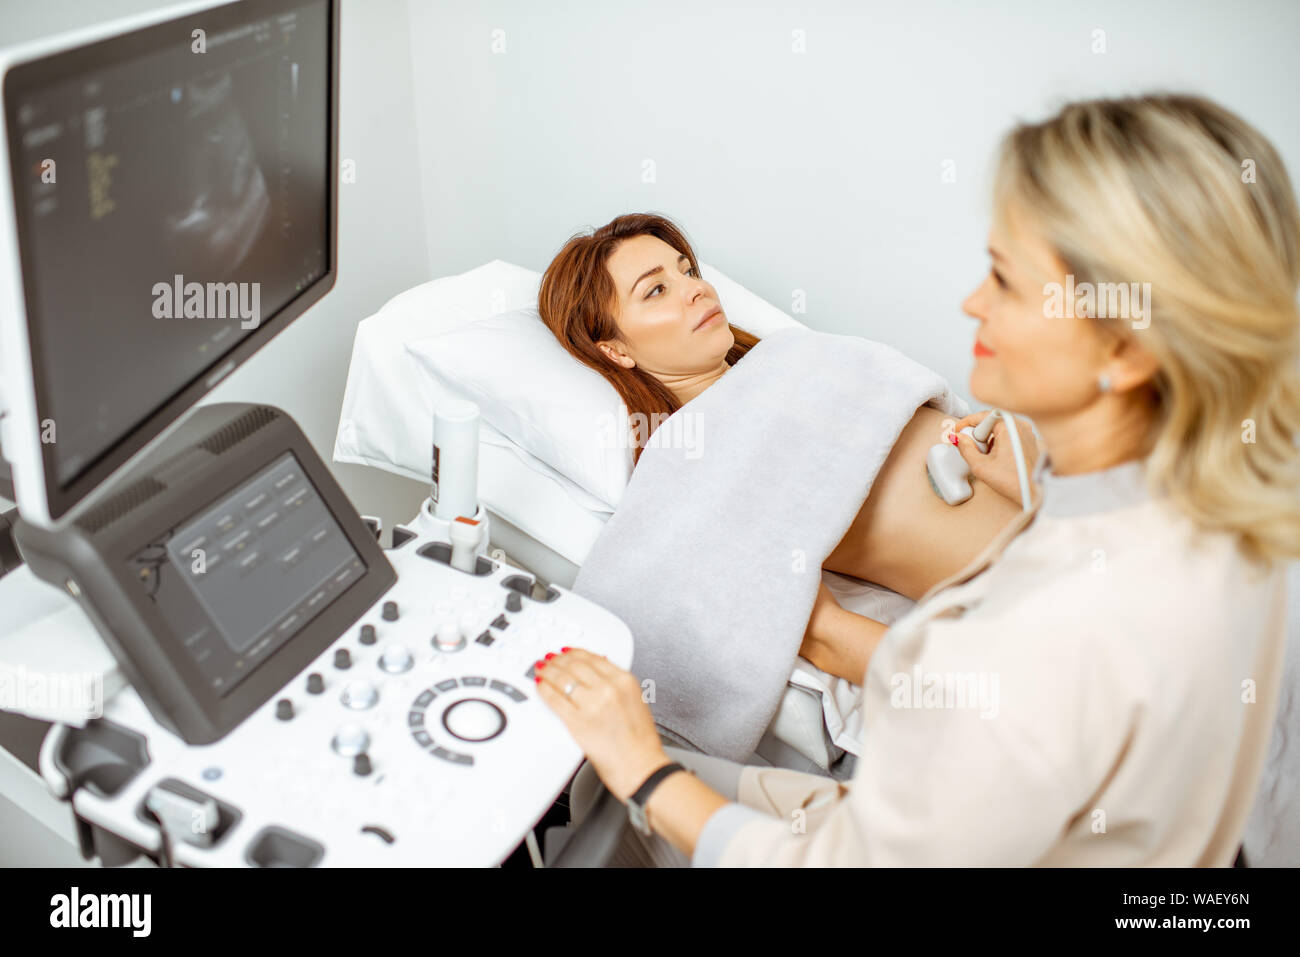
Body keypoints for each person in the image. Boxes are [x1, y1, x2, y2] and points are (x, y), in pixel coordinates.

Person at [538, 93, 1300, 866]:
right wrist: (1037, 477)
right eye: (657, 289)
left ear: (1127, 348)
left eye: (1003, 278)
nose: (972, 302)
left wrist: (647, 769)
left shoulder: (1072, 625)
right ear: (616, 351)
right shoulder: (1203, 506)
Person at [539, 213, 1028, 683]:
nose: (696, 288)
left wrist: (1024, 466)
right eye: (657, 289)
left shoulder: (793, 354)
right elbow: (825, 636)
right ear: (616, 350)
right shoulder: (694, 464)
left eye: (687, 270)